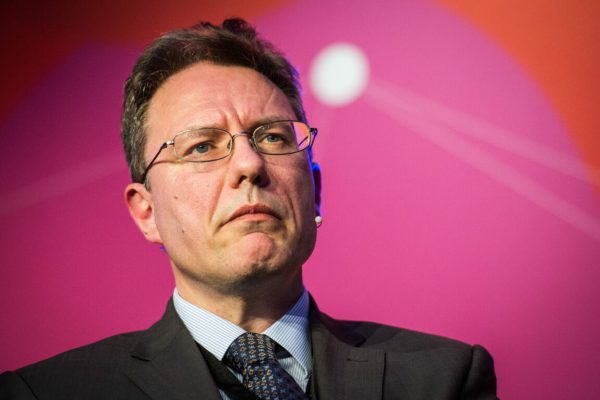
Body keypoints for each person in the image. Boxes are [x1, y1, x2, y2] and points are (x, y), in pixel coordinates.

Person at [0, 18, 497, 400]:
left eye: (274, 137)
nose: (249, 164)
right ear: (146, 212)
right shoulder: (45, 393)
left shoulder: (442, 378)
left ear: (315, 192)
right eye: (201, 147)